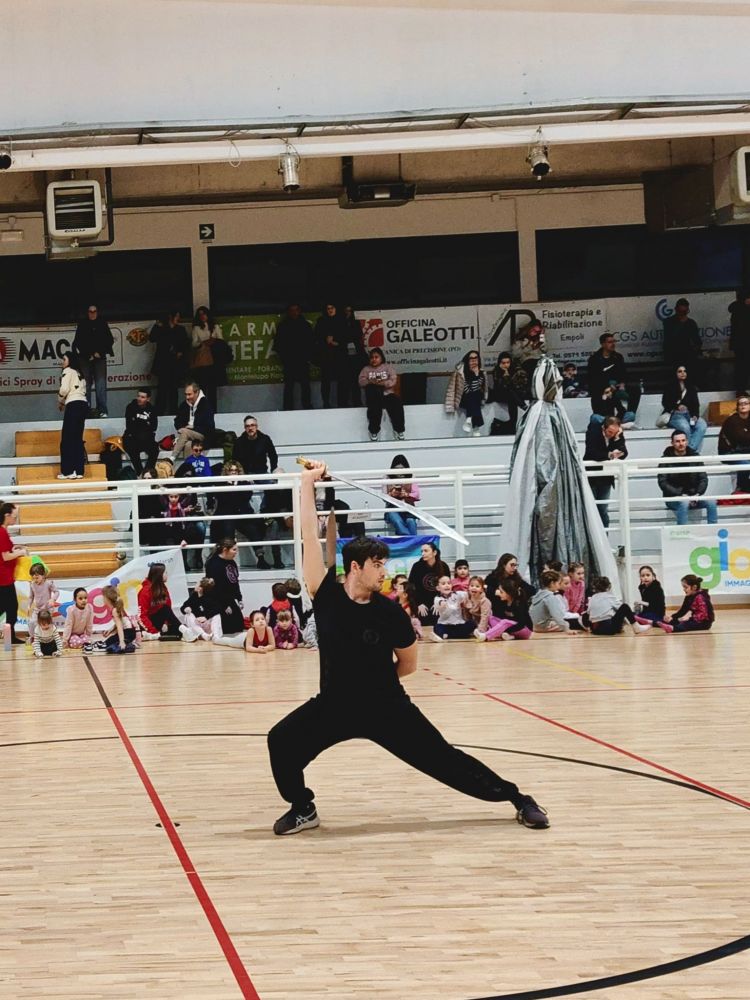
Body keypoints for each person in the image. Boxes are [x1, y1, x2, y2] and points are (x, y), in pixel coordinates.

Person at [266, 458, 551, 836]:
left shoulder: (390, 613)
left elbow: (409, 664)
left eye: (384, 564)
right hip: (334, 706)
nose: (384, 572)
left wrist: (375, 684)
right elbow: (307, 533)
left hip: (386, 708)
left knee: (446, 761)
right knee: (281, 742)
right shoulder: (326, 594)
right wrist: (307, 483)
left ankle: (519, 799)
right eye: (377, 564)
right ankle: (304, 808)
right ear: (355, 567)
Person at [232, 416, 279, 569]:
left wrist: (273, 471)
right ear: (244, 428)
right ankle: (249, 512)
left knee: (272, 487)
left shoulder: (265, 439)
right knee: (242, 494)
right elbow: (235, 460)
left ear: (257, 426)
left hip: (262, 473)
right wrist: (243, 476)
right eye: (247, 426)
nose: (250, 428)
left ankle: (266, 511)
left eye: (252, 425)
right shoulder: (239, 442)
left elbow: (273, 455)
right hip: (245, 475)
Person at [657, 430, 718, 526]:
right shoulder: (665, 459)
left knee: (711, 502)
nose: (681, 444)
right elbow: (663, 483)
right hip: (673, 498)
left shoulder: (695, 457)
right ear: (672, 443)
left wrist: (698, 494)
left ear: (687, 441)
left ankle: (713, 531)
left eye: (683, 440)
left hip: (694, 496)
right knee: (684, 502)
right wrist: (680, 494)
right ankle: (683, 532)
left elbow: (703, 478)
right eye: (677, 441)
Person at [587, 333, 640, 428]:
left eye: (614, 341)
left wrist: (622, 383)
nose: (613, 344)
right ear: (603, 344)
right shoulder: (594, 359)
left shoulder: (618, 357)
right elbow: (593, 378)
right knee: (596, 417)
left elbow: (623, 374)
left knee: (635, 390)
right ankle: (610, 423)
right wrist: (607, 387)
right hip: (602, 388)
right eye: (610, 342)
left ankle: (620, 422)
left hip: (617, 386)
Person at [583, 415, 627, 528]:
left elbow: (624, 453)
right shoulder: (593, 433)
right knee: (591, 509)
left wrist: (617, 439)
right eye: (610, 432)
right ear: (603, 427)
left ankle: (605, 536)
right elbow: (592, 452)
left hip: (606, 477)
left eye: (614, 433)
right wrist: (609, 455)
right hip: (591, 476)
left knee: (603, 509)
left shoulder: (617, 435)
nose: (611, 435)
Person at [72, 304, 114, 417]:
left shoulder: (102, 323)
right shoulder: (82, 324)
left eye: (94, 311)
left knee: (100, 384)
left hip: (99, 358)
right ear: (87, 313)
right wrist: (88, 354)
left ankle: (102, 410)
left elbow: (109, 340)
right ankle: (86, 410)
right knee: (85, 385)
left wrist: (99, 352)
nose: (92, 313)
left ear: (97, 312)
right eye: (90, 311)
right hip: (85, 358)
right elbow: (78, 342)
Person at [358, 348, 405, 442]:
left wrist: (383, 383)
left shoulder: (387, 367)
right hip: (374, 397)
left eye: (376, 357)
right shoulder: (366, 369)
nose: (374, 359)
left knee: (397, 403)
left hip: (387, 395)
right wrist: (370, 382)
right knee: (374, 407)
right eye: (372, 357)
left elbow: (393, 379)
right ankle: (374, 432)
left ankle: (398, 430)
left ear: (381, 358)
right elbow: (361, 381)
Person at [273, 304, 314, 410]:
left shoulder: (305, 325)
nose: (294, 312)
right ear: (288, 312)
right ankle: (288, 408)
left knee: (305, 385)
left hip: (302, 360)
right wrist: (284, 358)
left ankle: (307, 406)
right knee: (289, 385)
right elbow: (278, 344)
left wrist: (308, 357)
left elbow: (311, 343)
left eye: (296, 310)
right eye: (292, 310)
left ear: (299, 311)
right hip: (289, 361)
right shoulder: (283, 326)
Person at [149, 310, 190, 416]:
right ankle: (159, 411)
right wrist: (156, 325)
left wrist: (180, 352)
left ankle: (173, 411)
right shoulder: (162, 328)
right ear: (171, 317)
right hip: (163, 362)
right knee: (162, 388)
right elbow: (152, 338)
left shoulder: (180, 329)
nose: (178, 319)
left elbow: (185, 344)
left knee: (173, 389)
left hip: (175, 362)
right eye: (176, 316)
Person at [660, 365, 707, 453]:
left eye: (684, 371)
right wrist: (677, 406)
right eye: (680, 371)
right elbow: (665, 402)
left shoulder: (691, 387)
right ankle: (688, 452)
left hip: (689, 414)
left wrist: (695, 415)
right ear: (675, 373)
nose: (683, 373)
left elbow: (695, 404)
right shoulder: (669, 386)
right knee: (685, 427)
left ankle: (690, 450)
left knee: (702, 425)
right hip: (675, 415)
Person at [57, 351, 88, 480]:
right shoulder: (80, 373)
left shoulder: (68, 371)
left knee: (67, 439)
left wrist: (60, 400)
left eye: (64, 359)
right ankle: (79, 470)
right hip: (83, 404)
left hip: (73, 405)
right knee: (77, 438)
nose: (62, 362)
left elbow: (64, 389)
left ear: (70, 361)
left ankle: (68, 471)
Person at [204, 539, 244, 634]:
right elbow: (215, 588)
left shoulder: (232, 562)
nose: (236, 552)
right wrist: (225, 605)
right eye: (234, 550)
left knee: (239, 626)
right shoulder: (213, 564)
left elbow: (234, 582)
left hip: (228, 598)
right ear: (225, 550)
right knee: (227, 628)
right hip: (216, 599)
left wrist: (239, 598)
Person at [0, 503, 27, 645]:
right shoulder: (2, 532)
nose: (15, 520)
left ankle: (9, 636)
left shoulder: (3, 531)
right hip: (3, 577)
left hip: (5, 576)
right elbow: (5, 556)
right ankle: (9, 637)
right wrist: (20, 552)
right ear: (7, 515)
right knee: (11, 607)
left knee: (7, 607)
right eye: (14, 517)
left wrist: (14, 549)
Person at [445, 350, 488, 436]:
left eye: (476, 358)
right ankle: (475, 427)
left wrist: (476, 375)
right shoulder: (461, 373)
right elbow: (467, 390)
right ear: (467, 360)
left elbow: (478, 389)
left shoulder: (481, 373)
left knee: (475, 395)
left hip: (475, 398)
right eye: (471, 359)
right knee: (473, 395)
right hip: (463, 399)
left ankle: (469, 419)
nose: (474, 361)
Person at [478, 575, 533, 641]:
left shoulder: (519, 603)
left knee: (505, 622)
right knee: (491, 618)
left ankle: (485, 636)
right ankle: (509, 636)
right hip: (511, 629)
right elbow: (501, 617)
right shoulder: (503, 602)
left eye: (501, 592)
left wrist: (505, 629)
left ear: (508, 593)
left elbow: (521, 624)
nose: (499, 594)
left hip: (525, 629)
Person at [190, 306, 224, 413]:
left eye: (204, 314)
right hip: (203, 361)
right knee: (203, 387)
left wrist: (213, 341)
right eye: (200, 314)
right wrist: (203, 343)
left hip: (214, 359)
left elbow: (221, 340)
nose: (202, 316)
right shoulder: (196, 328)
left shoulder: (215, 327)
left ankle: (213, 410)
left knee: (213, 387)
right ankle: (204, 410)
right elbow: (194, 343)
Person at [407, 541, 450, 623]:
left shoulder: (444, 566)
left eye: (426, 551)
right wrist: (418, 604)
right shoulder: (417, 566)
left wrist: (439, 602)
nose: (423, 554)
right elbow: (411, 587)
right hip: (422, 603)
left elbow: (447, 587)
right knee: (423, 618)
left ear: (434, 552)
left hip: (439, 602)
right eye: (422, 551)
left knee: (439, 620)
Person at [315, 303, 347, 408]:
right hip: (326, 354)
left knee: (342, 379)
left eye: (332, 308)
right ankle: (326, 403)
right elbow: (316, 336)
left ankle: (342, 403)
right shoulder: (321, 321)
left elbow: (347, 336)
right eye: (328, 308)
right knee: (325, 380)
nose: (330, 310)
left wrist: (337, 342)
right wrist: (326, 340)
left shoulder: (342, 320)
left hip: (340, 354)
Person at [173, 382, 215, 461]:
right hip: (188, 436)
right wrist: (182, 428)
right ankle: (189, 468)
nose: (187, 397)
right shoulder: (184, 405)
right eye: (186, 394)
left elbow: (208, 426)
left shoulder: (205, 404)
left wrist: (193, 427)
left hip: (203, 436)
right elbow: (177, 421)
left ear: (196, 392)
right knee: (188, 445)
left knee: (185, 432)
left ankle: (171, 458)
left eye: (189, 394)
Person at [137, 563, 181, 637]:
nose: (167, 574)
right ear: (159, 575)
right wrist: (153, 632)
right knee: (165, 609)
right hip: (149, 626)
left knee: (178, 633)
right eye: (165, 572)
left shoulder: (163, 588)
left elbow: (168, 611)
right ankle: (184, 630)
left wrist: (165, 623)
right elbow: (142, 616)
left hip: (161, 624)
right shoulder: (145, 591)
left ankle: (184, 630)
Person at [123, 388, 160, 475]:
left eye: (143, 397)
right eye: (138, 396)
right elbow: (130, 426)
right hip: (132, 437)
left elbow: (154, 427)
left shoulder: (152, 409)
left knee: (155, 448)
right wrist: (145, 423)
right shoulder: (130, 407)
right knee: (131, 447)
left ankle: (147, 472)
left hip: (146, 438)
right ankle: (139, 472)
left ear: (148, 399)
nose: (139, 399)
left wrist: (139, 423)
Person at [718, 394, 750, 493]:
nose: (743, 405)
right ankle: (741, 487)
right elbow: (742, 438)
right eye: (740, 404)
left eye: (746, 403)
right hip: (729, 452)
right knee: (746, 464)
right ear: (737, 407)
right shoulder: (732, 420)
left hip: (745, 452)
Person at [384, 454, 419, 536]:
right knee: (397, 521)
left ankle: (408, 540)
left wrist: (407, 494)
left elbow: (417, 494)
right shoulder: (387, 477)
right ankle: (412, 540)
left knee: (411, 521)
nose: (399, 472)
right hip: (392, 508)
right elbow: (383, 496)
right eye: (396, 469)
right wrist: (391, 494)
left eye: (402, 469)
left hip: (408, 508)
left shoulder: (411, 477)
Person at [430, 575, 474, 641]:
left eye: (449, 583)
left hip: (459, 624)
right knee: (437, 627)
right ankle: (458, 635)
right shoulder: (437, 598)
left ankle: (446, 635)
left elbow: (468, 593)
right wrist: (443, 604)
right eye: (443, 584)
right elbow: (441, 604)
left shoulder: (457, 594)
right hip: (445, 624)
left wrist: (467, 600)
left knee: (472, 624)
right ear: (438, 588)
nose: (447, 585)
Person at [662, 298, 702, 371]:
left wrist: (693, 352)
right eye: (680, 312)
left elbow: (697, 341)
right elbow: (669, 340)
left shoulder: (691, 323)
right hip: (674, 357)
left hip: (687, 356)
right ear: (676, 310)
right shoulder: (669, 322)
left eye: (684, 312)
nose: (681, 315)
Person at [179, 577, 221, 642]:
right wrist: (186, 609)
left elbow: (218, 609)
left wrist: (206, 617)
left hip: (207, 625)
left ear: (200, 588)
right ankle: (203, 635)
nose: (195, 585)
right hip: (197, 627)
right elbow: (182, 607)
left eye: (197, 584)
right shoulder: (194, 596)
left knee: (216, 615)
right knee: (188, 615)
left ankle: (215, 636)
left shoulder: (210, 597)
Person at [99, 584, 137, 654]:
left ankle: (126, 644)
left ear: (107, 598)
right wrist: (110, 630)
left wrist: (121, 642)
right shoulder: (117, 608)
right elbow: (120, 623)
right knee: (108, 642)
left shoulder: (115, 610)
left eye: (103, 596)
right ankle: (127, 642)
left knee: (106, 644)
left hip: (127, 633)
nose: (102, 598)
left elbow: (119, 627)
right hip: (131, 632)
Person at [341, 305, 367, 406]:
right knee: (345, 380)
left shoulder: (355, 323)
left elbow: (358, 335)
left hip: (356, 356)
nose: (347, 313)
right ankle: (344, 403)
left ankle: (357, 401)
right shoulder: (340, 323)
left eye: (349, 311)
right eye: (346, 311)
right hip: (344, 355)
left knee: (356, 380)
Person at [27, 563, 59, 641]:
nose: (35, 580)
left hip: (47, 609)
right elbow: (31, 597)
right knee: (32, 622)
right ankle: (33, 637)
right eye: (33, 578)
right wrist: (29, 606)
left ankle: (51, 638)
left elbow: (57, 592)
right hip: (37, 609)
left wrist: (53, 599)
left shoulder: (48, 583)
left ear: (43, 575)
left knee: (49, 624)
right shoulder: (32, 585)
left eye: (37, 577)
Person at [729, 289, 750, 396]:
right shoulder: (741, 311)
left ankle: (741, 389)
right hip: (743, 344)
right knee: (742, 368)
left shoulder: (737, 309)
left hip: (740, 344)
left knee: (741, 368)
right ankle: (741, 390)